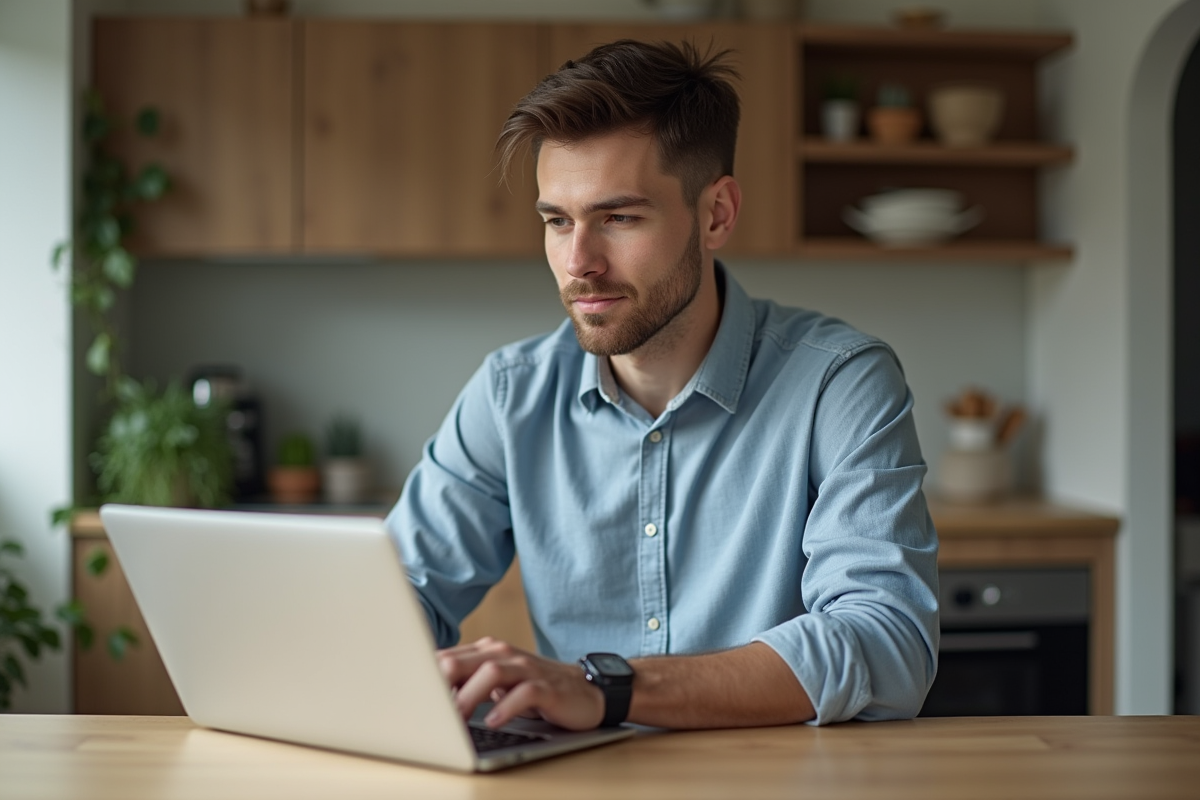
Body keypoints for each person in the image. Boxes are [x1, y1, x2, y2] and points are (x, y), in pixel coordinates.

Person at [385, 39, 938, 731]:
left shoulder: (838, 382)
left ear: (717, 214)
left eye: (618, 218)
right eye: (557, 221)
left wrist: (606, 687)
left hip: (777, 774)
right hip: (581, 776)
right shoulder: (509, 394)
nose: (578, 262)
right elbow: (400, 592)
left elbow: (888, 644)